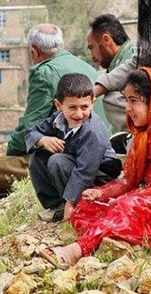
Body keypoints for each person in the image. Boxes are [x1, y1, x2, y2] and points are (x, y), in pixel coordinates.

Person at [38, 68, 151, 268]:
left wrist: (133, 197)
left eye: (134, 100)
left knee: (126, 206)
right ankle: (110, 230)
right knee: (88, 203)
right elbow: (128, 180)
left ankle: (76, 250)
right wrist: (101, 193)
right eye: (127, 100)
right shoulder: (144, 133)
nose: (128, 108)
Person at [0, 23, 108, 198]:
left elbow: (30, 126)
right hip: (99, 154)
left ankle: (21, 198)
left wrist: (11, 155)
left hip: (67, 158)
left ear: (34, 51)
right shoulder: (86, 67)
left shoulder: (44, 72)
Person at [26, 73, 121, 222]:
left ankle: (78, 206)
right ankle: (57, 205)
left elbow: (85, 171)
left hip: (99, 176)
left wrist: (71, 201)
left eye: (84, 107)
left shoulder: (92, 131)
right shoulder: (58, 119)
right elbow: (32, 133)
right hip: (75, 167)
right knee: (38, 158)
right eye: (72, 107)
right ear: (59, 105)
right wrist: (42, 140)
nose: (79, 114)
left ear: (93, 102)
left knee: (57, 161)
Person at [86, 14, 135, 133]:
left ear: (106, 40)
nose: (92, 56)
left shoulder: (133, 56)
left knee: (112, 99)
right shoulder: (116, 64)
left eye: (92, 47)